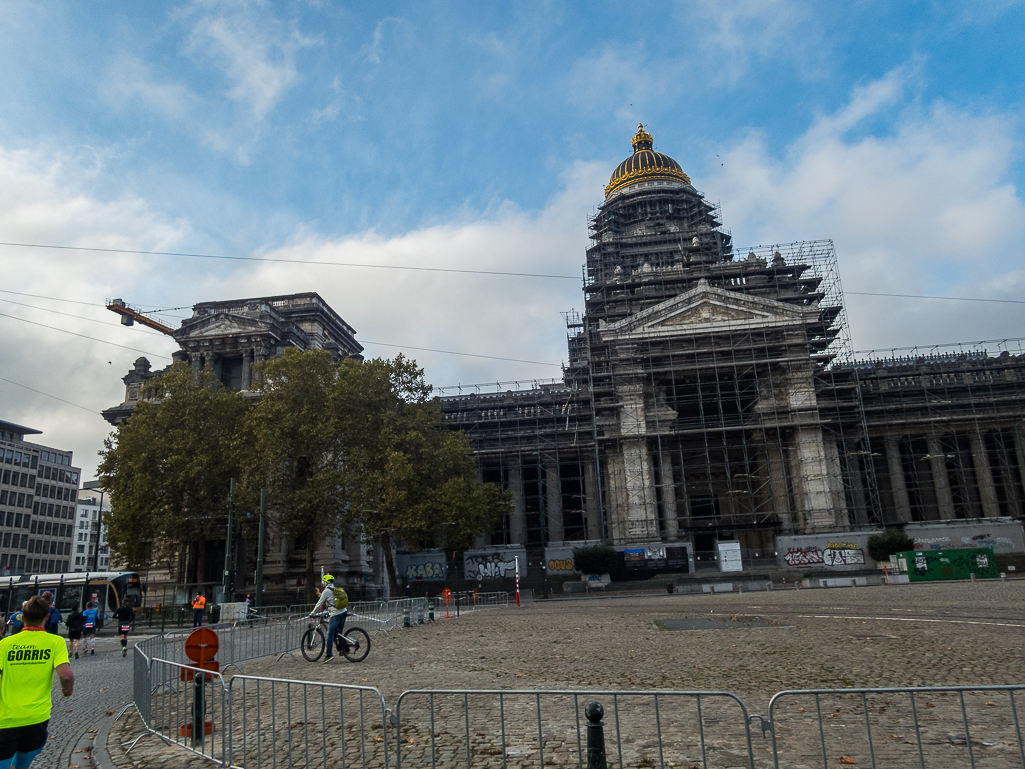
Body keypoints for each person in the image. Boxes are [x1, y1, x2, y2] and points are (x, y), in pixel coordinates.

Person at [0, 595, 74, 769]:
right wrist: (66, 690)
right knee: (21, 765)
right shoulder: (55, 642)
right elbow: (66, 676)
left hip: (6, 719)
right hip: (36, 718)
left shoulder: (5, 644)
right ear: (47, 617)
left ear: (23, 618)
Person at [308, 574, 348, 663]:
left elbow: (319, 603)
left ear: (326, 582)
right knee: (339, 633)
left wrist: (313, 613)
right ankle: (346, 649)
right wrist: (319, 594)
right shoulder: (334, 589)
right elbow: (327, 598)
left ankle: (329, 655)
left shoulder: (327, 591)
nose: (322, 583)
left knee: (330, 635)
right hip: (343, 611)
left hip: (336, 614)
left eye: (323, 582)